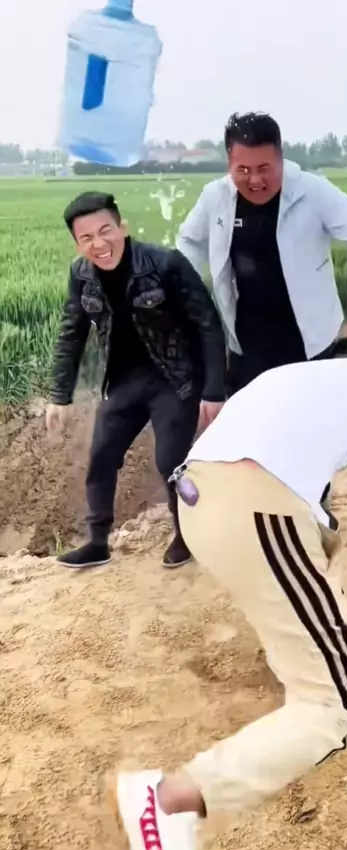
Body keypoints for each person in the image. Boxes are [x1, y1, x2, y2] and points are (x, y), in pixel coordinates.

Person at [112, 337, 347, 850]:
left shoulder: (279, 378)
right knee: (331, 711)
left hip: (196, 506)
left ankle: (334, 659)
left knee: (315, 547)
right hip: (258, 510)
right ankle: (169, 800)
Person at [46, 192, 226, 571]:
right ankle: (98, 543)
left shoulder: (165, 263)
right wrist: (59, 396)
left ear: (122, 227)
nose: (99, 244)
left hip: (174, 377)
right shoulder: (81, 275)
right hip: (125, 381)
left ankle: (187, 535)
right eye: (86, 238)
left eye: (105, 231)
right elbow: (71, 334)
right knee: (101, 456)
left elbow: (207, 324)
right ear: (77, 244)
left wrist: (213, 390)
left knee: (171, 461)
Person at [177, 112, 347, 395]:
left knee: (313, 414)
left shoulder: (313, 192)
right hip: (246, 347)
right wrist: (186, 299)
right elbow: (189, 243)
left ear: (281, 158)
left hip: (312, 345)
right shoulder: (215, 197)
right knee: (254, 418)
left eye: (264, 168)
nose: (255, 180)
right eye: (243, 170)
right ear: (229, 163)